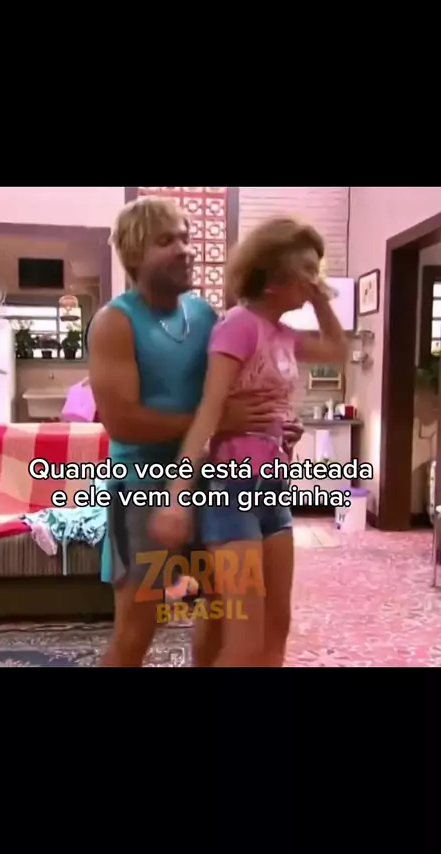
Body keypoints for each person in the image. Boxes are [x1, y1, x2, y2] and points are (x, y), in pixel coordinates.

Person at [88, 196, 304, 667]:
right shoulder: (114, 322)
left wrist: (271, 425)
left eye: (186, 238)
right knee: (137, 631)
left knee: (218, 615)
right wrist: (221, 422)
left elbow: (232, 388)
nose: (185, 249)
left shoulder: (206, 315)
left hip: (214, 486)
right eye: (167, 241)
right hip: (144, 493)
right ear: (135, 253)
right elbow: (122, 421)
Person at [150, 217, 347, 667]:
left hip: (274, 490)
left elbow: (337, 350)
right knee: (243, 643)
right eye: (307, 271)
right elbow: (209, 412)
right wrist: (177, 497)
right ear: (274, 278)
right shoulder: (239, 325)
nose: (314, 280)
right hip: (231, 491)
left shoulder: (282, 333)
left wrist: (321, 300)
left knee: (276, 632)